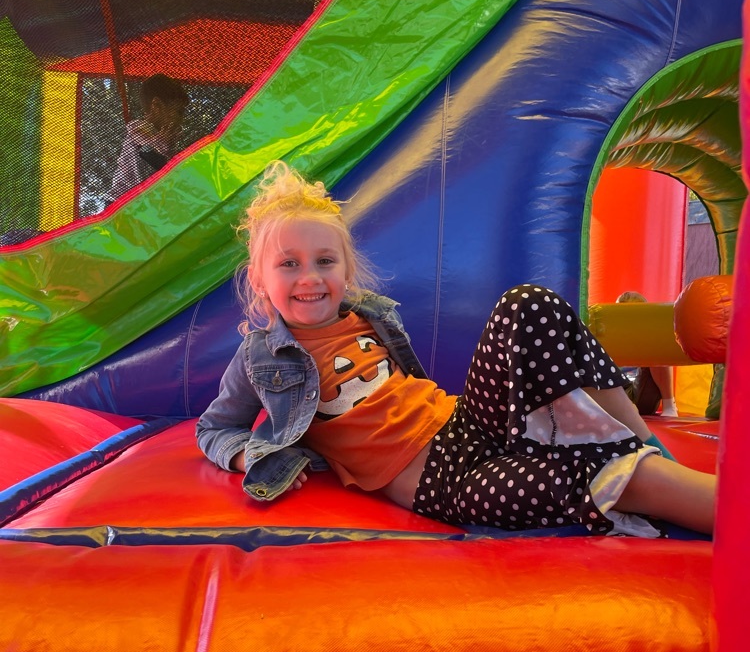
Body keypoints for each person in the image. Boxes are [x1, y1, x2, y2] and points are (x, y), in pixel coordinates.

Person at [196, 162, 716, 537]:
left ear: (345, 271)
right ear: (260, 282)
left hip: (466, 422)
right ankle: (721, 510)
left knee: (528, 304)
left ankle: (644, 442)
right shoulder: (260, 358)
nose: (309, 278)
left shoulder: (370, 317)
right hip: (445, 483)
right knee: (593, 476)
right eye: (289, 264)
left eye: (324, 261)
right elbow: (213, 427)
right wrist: (250, 455)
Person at [107, 74, 188, 204]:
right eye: (179, 111)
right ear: (157, 106)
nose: (181, 118)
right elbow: (147, 145)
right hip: (119, 202)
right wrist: (162, 144)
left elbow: (166, 166)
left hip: (141, 203)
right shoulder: (138, 127)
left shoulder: (164, 138)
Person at [616, 291, 678, 417]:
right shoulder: (612, 335)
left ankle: (670, 404)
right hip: (617, 395)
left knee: (656, 346)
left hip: (639, 395)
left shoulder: (647, 336)